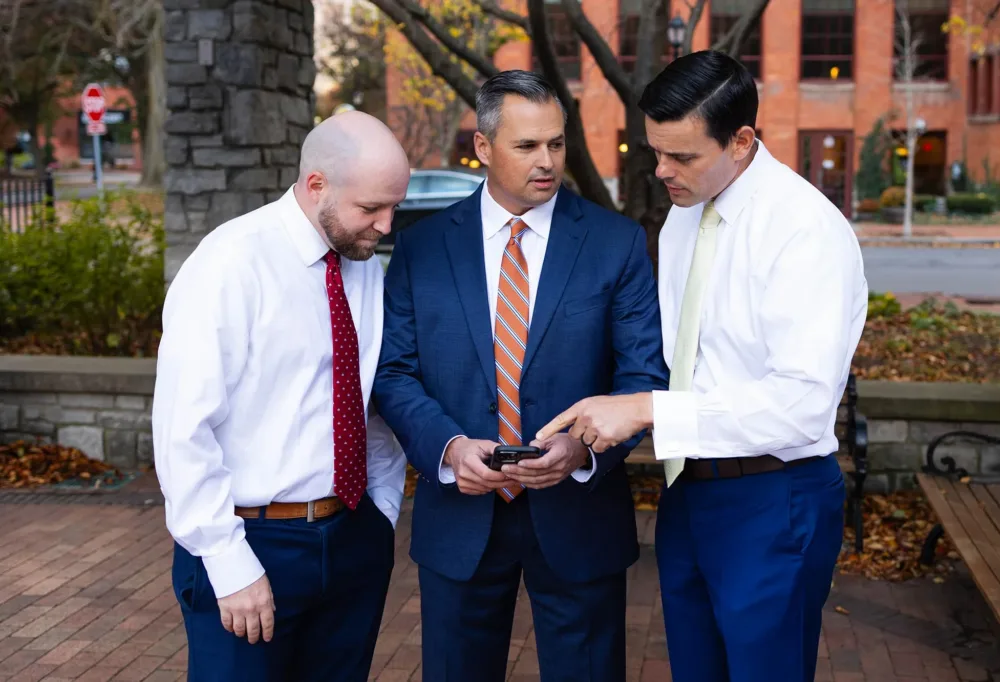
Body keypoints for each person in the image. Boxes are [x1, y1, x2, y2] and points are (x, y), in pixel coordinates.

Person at [536, 51, 869, 682]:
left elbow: (801, 406)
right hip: (688, 490)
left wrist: (648, 410)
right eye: (655, 151)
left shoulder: (806, 231)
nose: (661, 170)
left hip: (775, 496)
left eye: (681, 156)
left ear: (741, 141)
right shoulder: (684, 216)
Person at [372, 70, 668, 682]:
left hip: (580, 513)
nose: (547, 161)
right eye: (527, 145)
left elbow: (642, 374)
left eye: (556, 143)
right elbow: (394, 372)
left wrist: (582, 449)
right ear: (483, 147)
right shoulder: (422, 248)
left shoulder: (614, 243)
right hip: (461, 514)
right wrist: (449, 448)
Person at [152, 111, 410, 682]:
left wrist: (381, 513)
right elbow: (182, 430)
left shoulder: (363, 265)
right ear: (316, 185)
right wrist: (227, 560)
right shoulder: (230, 262)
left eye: (395, 207)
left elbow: (367, 395)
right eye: (371, 208)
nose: (386, 225)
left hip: (353, 536)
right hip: (251, 542)